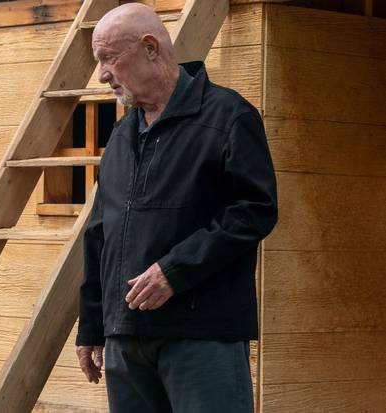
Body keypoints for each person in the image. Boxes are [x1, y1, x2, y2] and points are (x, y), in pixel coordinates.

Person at [75, 4, 278, 412]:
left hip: (201, 337)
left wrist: (174, 271)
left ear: (150, 48)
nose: (102, 75)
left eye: (109, 58)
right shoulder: (121, 134)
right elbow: (100, 231)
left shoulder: (229, 116)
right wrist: (93, 324)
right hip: (126, 341)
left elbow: (255, 210)